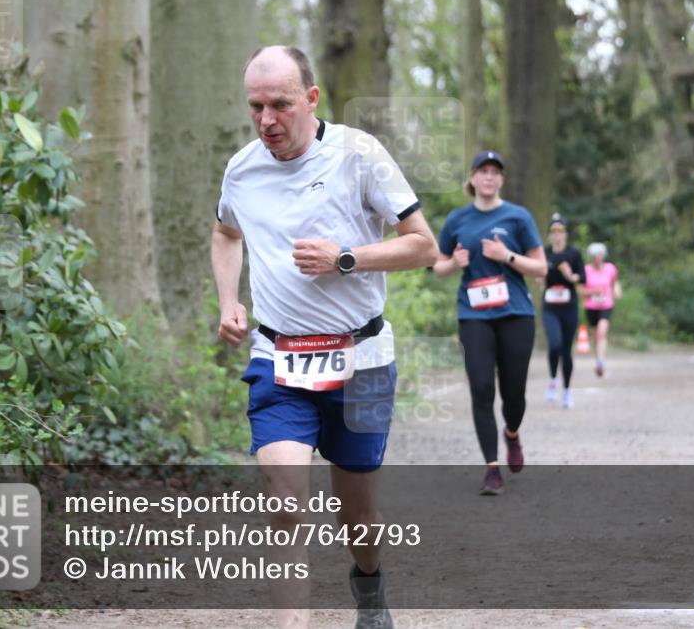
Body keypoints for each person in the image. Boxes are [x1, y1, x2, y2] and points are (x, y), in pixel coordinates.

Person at [211, 45, 438, 629]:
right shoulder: (242, 168)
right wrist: (229, 301)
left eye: (280, 105)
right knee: (284, 504)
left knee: (356, 513)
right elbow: (225, 232)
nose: (267, 121)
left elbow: (422, 245)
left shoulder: (359, 155)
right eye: (256, 107)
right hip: (279, 358)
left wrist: (346, 258)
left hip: (359, 358)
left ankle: (370, 590)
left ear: (311, 99)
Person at [433, 150, 547, 495]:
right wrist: (454, 263)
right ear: (472, 178)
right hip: (474, 316)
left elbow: (541, 268)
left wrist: (507, 257)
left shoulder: (518, 217)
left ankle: (511, 432)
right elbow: (437, 268)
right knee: (481, 388)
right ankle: (491, 469)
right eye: (482, 171)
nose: (489, 177)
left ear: (502, 179)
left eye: (495, 172)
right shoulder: (457, 220)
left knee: (514, 393)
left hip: (516, 314)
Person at [541, 213, 585, 409]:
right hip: (550, 307)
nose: (557, 234)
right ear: (550, 234)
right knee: (555, 343)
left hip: (569, 307)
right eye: (554, 231)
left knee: (566, 350)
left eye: (560, 231)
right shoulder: (544, 252)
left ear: (565, 234)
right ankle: (552, 380)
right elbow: (539, 276)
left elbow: (582, 279)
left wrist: (570, 276)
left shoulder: (574, 254)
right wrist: (540, 278)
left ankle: (567, 391)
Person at [582, 242, 622, 377]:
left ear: (603, 256)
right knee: (595, 336)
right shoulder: (586, 270)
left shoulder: (610, 268)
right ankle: (598, 359)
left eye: (599, 255)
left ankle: (601, 363)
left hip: (606, 305)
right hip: (591, 306)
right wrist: (593, 291)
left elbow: (614, 282)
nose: (597, 258)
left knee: (601, 333)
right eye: (594, 256)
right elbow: (581, 290)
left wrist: (616, 290)